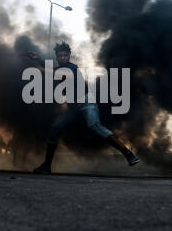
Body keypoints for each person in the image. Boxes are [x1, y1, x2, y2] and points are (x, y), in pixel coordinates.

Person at [28, 42, 139, 174]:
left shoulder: (72, 68)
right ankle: (47, 166)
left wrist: (43, 69)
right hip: (73, 108)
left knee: (95, 126)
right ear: (57, 58)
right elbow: (52, 69)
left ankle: (129, 154)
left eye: (65, 55)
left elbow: (61, 74)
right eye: (60, 56)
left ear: (69, 56)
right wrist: (38, 59)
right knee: (55, 128)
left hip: (87, 104)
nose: (62, 58)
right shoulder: (58, 69)